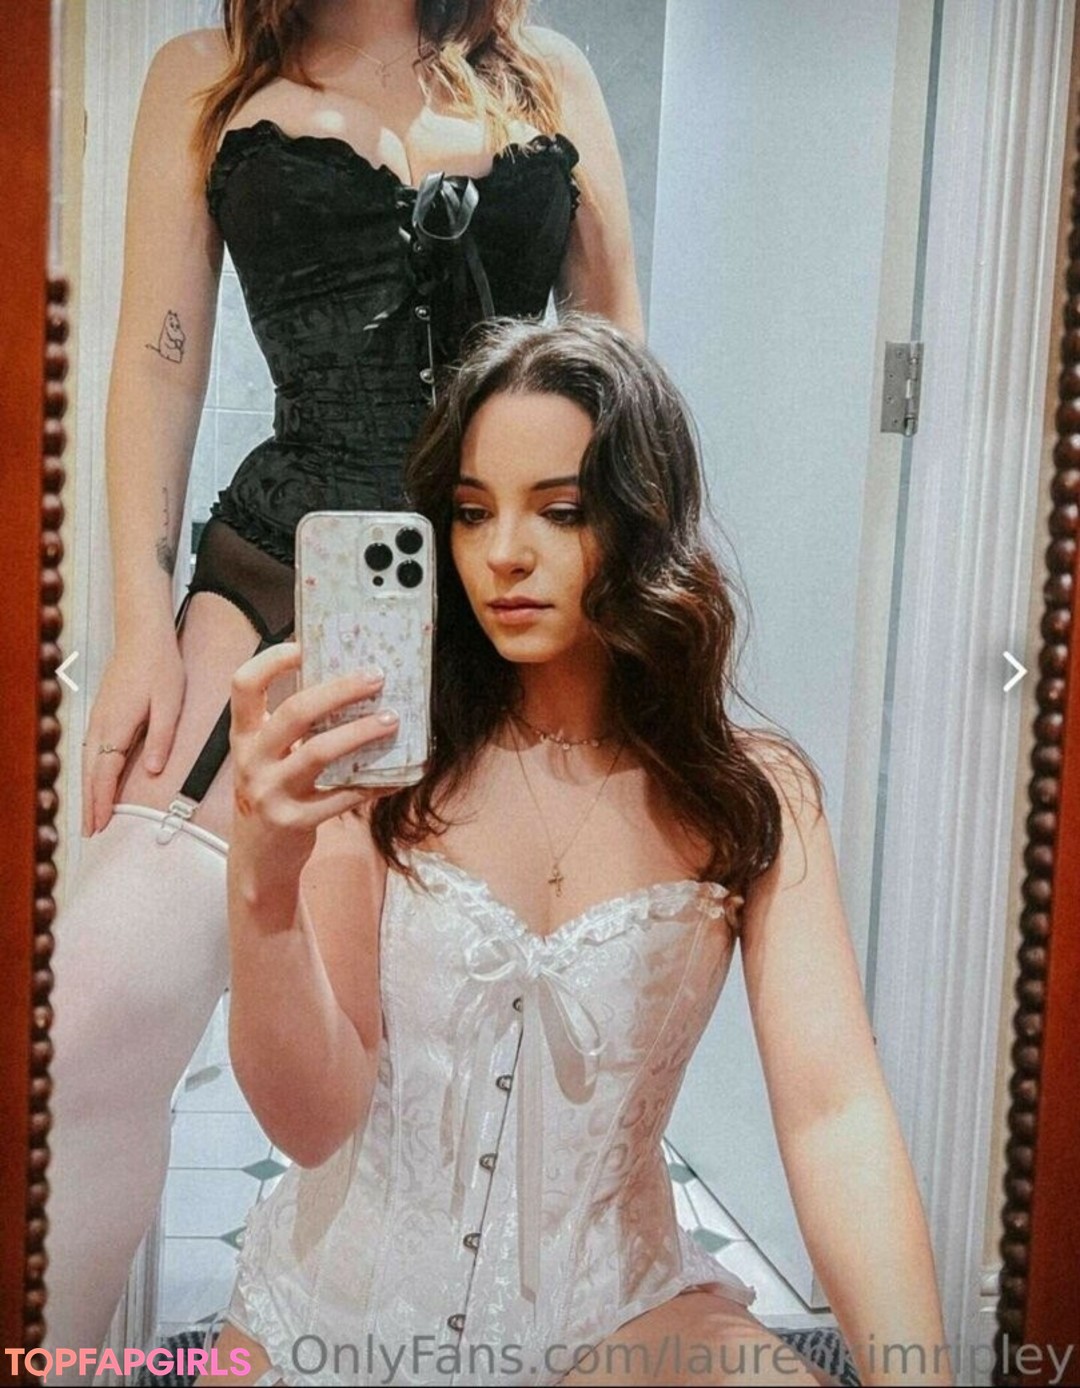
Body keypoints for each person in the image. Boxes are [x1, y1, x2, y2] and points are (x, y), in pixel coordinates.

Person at [45, 0, 641, 1369]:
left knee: (468, 1078)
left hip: (512, 605)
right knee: (84, 1029)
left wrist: (625, 620)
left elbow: (618, 363)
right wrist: (139, 626)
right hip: (277, 589)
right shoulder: (204, 73)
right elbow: (157, 359)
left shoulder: (546, 71)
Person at [195, 316, 952, 1387]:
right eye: (472, 512)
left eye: (560, 510)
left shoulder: (748, 794)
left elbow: (835, 1113)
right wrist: (262, 885)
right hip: (335, 1313)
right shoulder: (381, 763)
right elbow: (313, 1123)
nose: (503, 552)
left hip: (616, 1313)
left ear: (644, 519)